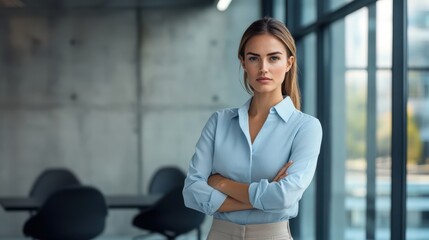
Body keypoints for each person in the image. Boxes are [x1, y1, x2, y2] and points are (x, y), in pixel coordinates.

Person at [182, 17, 322, 240]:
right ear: (243, 63)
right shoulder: (219, 121)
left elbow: (284, 197)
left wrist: (221, 183)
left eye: (273, 58)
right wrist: (264, 198)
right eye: (254, 58)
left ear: (289, 63)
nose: (263, 68)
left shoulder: (305, 127)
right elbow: (191, 193)